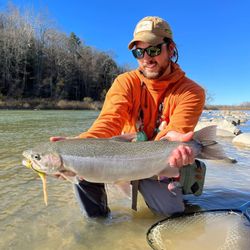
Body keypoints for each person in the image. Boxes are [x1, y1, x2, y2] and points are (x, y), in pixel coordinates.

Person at [51, 16, 205, 218]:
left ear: (171, 48)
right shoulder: (124, 83)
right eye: (139, 52)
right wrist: (80, 145)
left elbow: (175, 132)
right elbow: (108, 122)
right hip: (120, 158)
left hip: (158, 161)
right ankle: (98, 226)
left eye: (154, 49)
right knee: (80, 170)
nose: (146, 58)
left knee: (172, 216)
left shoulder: (191, 92)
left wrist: (177, 145)